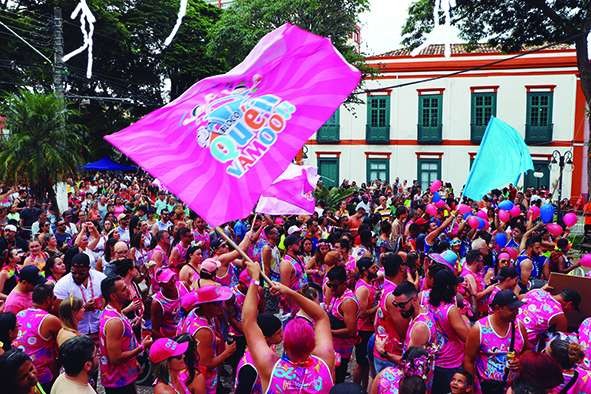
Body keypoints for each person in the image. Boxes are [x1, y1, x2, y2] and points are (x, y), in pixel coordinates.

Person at [242, 260, 335, 393]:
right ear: (313, 343)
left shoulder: (271, 367)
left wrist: (255, 280)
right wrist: (290, 292)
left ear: (284, 346)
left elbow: (248, 321)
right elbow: (321, 317)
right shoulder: (325, 360)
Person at [464, 290, 528, 393]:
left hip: (512, 388)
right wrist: (472, 386)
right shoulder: (479, 329)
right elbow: (468, 360)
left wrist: (521, 360)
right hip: (486, 388)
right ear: (498, 308)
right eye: (512, 309)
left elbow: (527, 351)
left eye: (517, 309)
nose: (516, 312)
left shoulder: (519, 327)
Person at [99, 275, 153, 394]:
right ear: (113, 296)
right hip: (118, 381)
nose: (128, 290)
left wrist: (134, 361)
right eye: (123, 289)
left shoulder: (115, 312)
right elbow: (115, 358)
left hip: (124, 377)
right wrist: (142, 347)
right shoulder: (115, 322)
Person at [177, 285, 236, 393]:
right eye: (217, 303)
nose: (221, 306)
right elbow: (206, 364)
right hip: (203, 382)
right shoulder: (204, 332)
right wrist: (228, 352)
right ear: (205, 305)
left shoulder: (194, 312)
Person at [13, 283, 61, 393]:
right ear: (48, 300)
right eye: (54, 298)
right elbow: (62, 344)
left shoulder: (20, 313)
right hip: (41, 374)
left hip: (22, 372)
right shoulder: (49, 319)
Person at [429, 269, 469, 394]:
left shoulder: (426, 301)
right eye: (455, 285)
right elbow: (467, 337)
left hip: (434, 359)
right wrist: (465, 320)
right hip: (451, 362)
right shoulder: (450, 310)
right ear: (449, 287)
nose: (457, 287)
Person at [53, 253, 106, 339]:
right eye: (74, 273)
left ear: (89, 269)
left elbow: (109, 299)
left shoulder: (101, 278)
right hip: (77, 332)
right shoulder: (62, 284)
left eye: (81, 273)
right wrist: (83, 308)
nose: (77, 275)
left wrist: (102, 303)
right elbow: (59, 311)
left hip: (100, 327)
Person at [373, 253, 407, 373]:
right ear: (401, 268)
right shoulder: (393, 296)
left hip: (381, 348)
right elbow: (403, 330)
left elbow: (376, 320)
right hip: (391, 355)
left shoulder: (384, 286)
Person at [234, 312, 282, 394]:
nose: (282, 335)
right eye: (278, 333)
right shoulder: (250, 369)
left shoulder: (268, 347)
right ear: (265, 338)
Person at [326, 265, 359, 383]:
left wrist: (329, 332)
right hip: (333, 349)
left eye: (334, 286)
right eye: (329, 285)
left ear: (344, 283)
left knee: (337, 381)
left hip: (341, 352)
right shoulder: (337, 295)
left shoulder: (348, 302)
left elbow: (351, 330)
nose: (332, 289)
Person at [353, 257, 378, 389]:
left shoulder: (369, 284)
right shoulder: (363, 289)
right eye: (373, 268)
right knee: (361, 363)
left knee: (366, 363)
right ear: (365, 271)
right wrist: (378, 307)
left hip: (369, 329)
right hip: (363, 330)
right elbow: (361, 314)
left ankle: (363, 387)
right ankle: (356, 388)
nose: (376, 269)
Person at [151, 268, 184, 339]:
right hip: (172, 337)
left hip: (186, 330)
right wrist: (169, 342)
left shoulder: (183, 286)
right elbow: (154, 330)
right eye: (168, 280)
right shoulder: (157, 303)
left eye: (172, 277)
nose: (172, 281)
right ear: (161, 284)